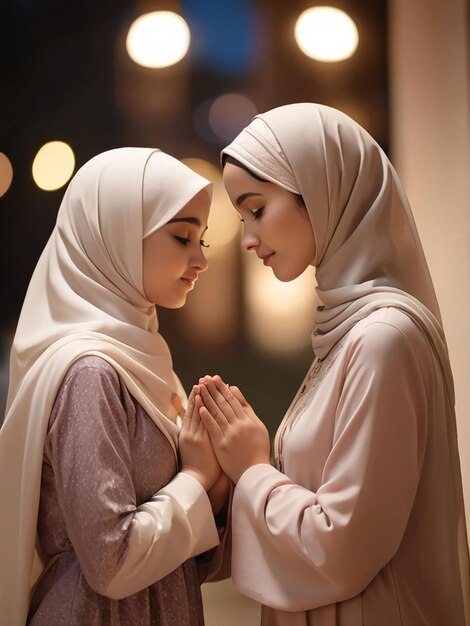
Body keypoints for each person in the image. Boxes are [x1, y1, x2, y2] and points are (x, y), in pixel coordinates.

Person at [196, 103, 470, 625]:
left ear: (321, 188)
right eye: (240, 218)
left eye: (257, 209)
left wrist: (253, 469)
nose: (249, 239)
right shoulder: (347, 335)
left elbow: (340, 547)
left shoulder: (384, 338)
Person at [0, 147, 229, 625]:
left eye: (201, 240)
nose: (199, 260)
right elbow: (112, 560)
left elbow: (174, 548)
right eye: (183, 236)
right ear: (117, 234)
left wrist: (222, 485)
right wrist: (198, 480)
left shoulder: (140, 359)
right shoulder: (91, 373)